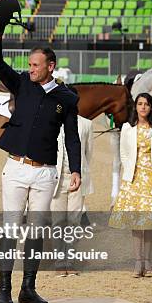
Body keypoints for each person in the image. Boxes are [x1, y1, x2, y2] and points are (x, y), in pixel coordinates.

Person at [0, 10, 81, 303]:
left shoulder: (67, 97)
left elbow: (72, 136)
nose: (30, 69)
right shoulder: (21, 83)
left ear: (50, 66)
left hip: (46, 173)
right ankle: (3, 288)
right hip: (15, 168)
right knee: (11, 229)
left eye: (36, 65)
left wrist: (76, 169)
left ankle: (28, 288)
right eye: (29, 64)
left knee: (37, 231)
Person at [109, 93, 152, 277]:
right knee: (136, 222)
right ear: (135, 106)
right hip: (133, 179)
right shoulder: (127, 128)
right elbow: (123, 153)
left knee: (149, 222)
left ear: (151, 107)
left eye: (146, 104)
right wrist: (130, 170)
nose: (143, 107)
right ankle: (137, 262)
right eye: (140, 104)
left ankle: (148, 262)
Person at [51, 115, 93, 277]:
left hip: (76, 179)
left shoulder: (86, 124)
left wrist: (81, 174)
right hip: (57, 179)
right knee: (58, 222)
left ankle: (70, 261)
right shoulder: (52, 119)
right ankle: (59, 262)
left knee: (74, 221)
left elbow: (88, 154)